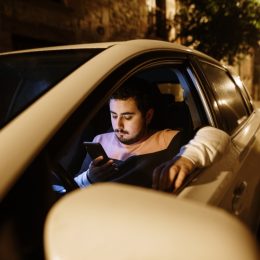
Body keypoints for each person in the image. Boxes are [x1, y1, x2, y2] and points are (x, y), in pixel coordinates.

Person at [70, 77, 230, 193]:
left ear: (148, 116)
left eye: (127, 117)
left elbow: (218, 136)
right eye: (113, 115)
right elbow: (70, 187)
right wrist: (89, 178)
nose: (118, 125)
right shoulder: (100, 140)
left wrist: (188, 159)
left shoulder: (171, 140)